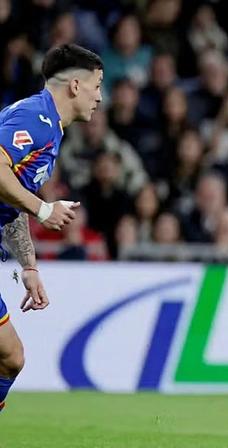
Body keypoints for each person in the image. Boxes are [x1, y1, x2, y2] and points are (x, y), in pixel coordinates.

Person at [0, 43, 103, 412]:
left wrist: (28, 266)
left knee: (10, 358)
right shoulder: (36, 118)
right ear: (75, 85)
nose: (100, 97)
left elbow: (11, 198)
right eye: (97, 85)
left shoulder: (50, 128)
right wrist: (44, 209)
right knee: (10, 356)